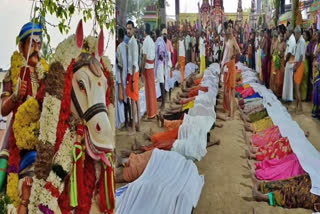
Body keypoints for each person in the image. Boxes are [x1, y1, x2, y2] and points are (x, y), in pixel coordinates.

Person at [1, 21, 45, 214]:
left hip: (44, 133)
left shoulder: (47, 73)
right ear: (22, 47)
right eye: (32, 44)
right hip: (17, 136)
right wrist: (15, 96)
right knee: (2, 170)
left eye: (39, 44)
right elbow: (3, 109)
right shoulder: (13, 73)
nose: (36, 49)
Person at [221, 26, 240, 119]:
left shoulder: (233, 40)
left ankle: (231, 114)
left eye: (230, 30)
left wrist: (233, 56)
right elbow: (225, 54)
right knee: (225, 91)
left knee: (231, 91)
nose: (229, 32)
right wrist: (222, 65)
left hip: (231, 66)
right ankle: (229, 111)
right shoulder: (227, 40)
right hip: (226, 66)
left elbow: (239, 51)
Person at [126, 20, 141, 135]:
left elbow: (135, 62)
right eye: (127, 29)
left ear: (134, 29)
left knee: (133, 101)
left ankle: (134, 128)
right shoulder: (131, 42)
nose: (128, 31)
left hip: (133, 73)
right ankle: (138, 125)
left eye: (130, 29)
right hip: (133, 73)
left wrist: (132, 80)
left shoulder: (133, 43)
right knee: (136, 100)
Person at [141, 23, 158, 119]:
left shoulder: (146, 41)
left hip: (148, 67)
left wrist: (142, 71)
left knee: (149, 91)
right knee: (152, 90)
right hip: (151, 66)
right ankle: (153, 111)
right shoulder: (151, 41)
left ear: (144, 31)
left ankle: (151, 113)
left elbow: (144, 57)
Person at [116, 28, 130, 128]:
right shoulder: (127, 46)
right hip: (128, 75)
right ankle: (128, 119)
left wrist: (120, 79)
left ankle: (125, 121)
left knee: (123, 100)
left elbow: (120, 65)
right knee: (127, 99)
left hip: (121, 75)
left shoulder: (119, 47)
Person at [155, 29, 169, 110]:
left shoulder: (159, 41)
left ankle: (163, 103)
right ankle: (163, 101)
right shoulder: (160, 41)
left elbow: (161, 54)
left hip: (160, 65)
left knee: (161, 83)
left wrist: (160, 56)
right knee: (162, 83)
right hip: (162, 64)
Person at [293, 26, 306, 114]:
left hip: (299, 65)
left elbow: (301, 56)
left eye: (295, 34)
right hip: (297, 64)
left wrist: (296, 67)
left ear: (298, 33)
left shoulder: (301, 41)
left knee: (297, 88)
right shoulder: (299, 41)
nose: (295, 36)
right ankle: (297, 106)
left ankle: (300, 108)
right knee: (296, 88)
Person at [282, 25, 296, 103]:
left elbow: (289, 52)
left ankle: (289, 98)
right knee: (287, 80)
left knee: (288, 81)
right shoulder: (290, 39)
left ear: (290, 32)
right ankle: (286, 97)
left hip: (289, 62)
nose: (286, 33)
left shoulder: (292, 40)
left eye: (287, 31)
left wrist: (285, 61)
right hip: (288, 61)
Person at [301, 30, 311, 101]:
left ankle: (304, 97)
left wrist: (304, 53)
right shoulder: (302, 43)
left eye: (304, 35)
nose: (303, 36)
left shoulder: (308, 43)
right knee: (301, 79)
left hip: (305, 62)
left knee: (304, 80)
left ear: (307, 37)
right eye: (303, 35)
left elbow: (309, 54)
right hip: (301, 62)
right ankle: (300, 96)